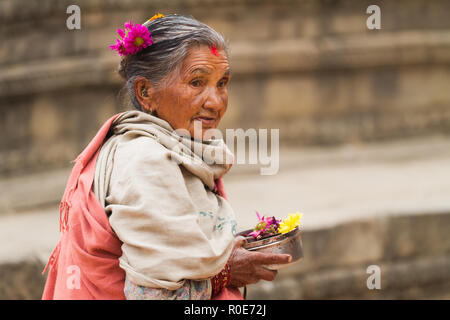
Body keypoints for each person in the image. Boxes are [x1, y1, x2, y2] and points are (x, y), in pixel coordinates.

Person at [42, 13, 291, 300]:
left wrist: (224, 248)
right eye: (197, 82)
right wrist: (224, 272)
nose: (216, 101)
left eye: (222, 83)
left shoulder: (171, 148)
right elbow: (153, 295)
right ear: (146, 92)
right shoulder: (146, 160)